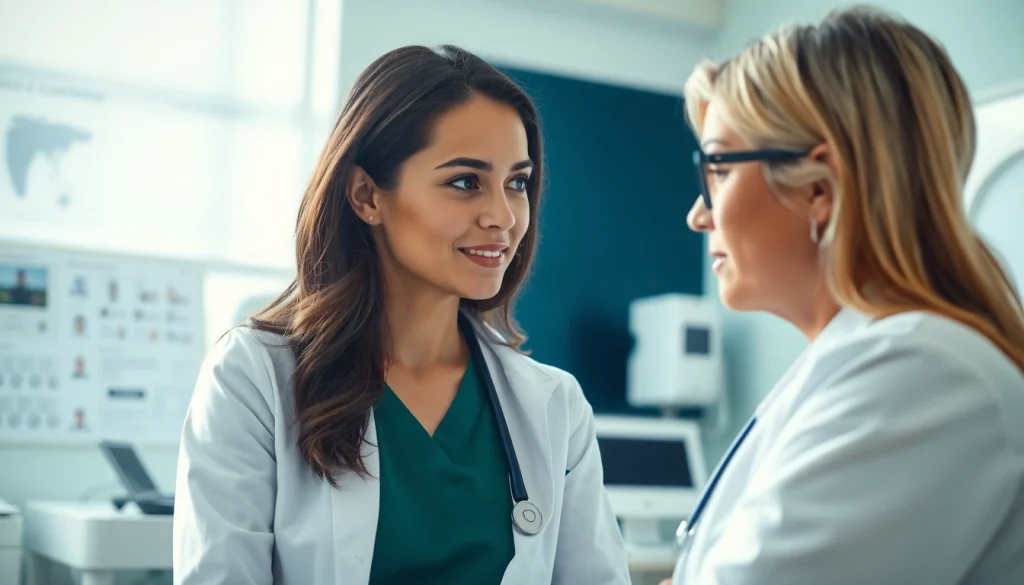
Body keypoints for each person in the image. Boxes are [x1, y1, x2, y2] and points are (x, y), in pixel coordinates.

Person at [173, 45, 630, 585]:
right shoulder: (254, 378)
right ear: (367, 196)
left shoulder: (554, 406)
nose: (504, 217)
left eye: (517, 183)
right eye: (466, 182)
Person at [667, 6, 1024, 585]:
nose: (698, 215)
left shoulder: (922, 375)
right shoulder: (863, 361)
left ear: (819, 188)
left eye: (718, 171)